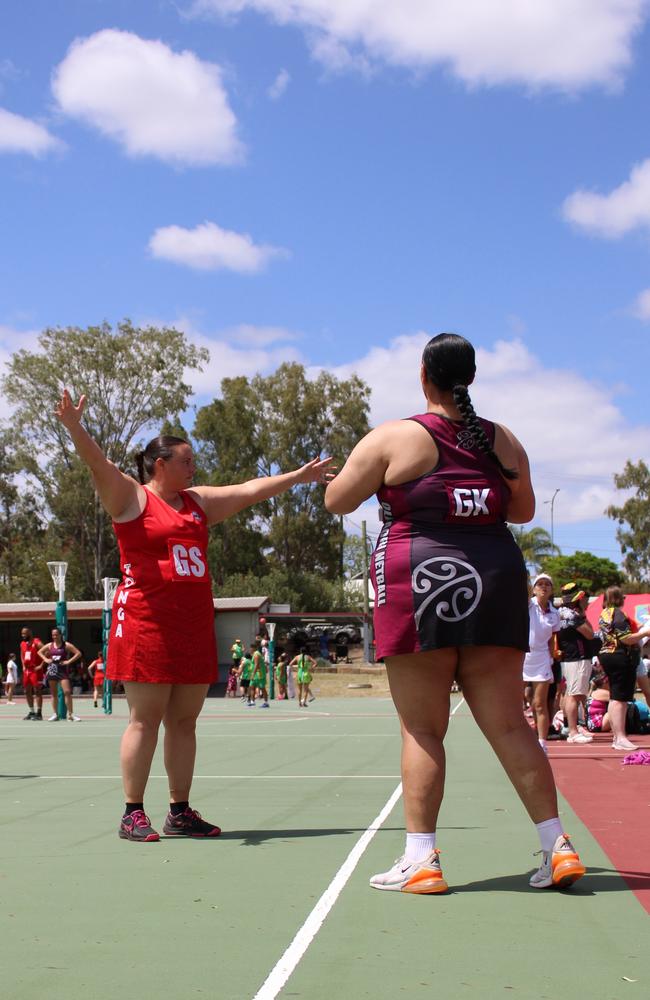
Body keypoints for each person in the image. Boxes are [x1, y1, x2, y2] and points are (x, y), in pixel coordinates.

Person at [325, 333, 585, 894]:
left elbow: (337, 501)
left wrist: (360, 476)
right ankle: (557, 845)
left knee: (422, 728)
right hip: (495, 577)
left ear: (424, 374)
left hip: (421, 581)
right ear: (471, 376)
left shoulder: (397, 436)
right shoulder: (504, 440)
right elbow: (523, 509)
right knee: (512, 725)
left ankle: (422, 857)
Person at [54, 388, 332, 842]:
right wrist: (74, 426)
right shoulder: (131, 498)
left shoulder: (197, 503)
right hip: (147, 623)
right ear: (160, 464)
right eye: (186, 461)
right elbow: (98, 464)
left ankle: (179, 810)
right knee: (144, 719)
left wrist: (299, 476)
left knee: (184, 721)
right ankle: (132, 812)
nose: (194, 468)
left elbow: (248, 490)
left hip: (193, 625)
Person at [598, 586, 650, 752]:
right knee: (621, 699)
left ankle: (617, 736)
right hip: (621, 656)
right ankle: (620, 736)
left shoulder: (605, 613)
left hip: (608, 655)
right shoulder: (618, 614)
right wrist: (646, 632)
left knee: (615, 697)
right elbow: (626, 638)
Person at [523, 574, 560, 753]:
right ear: (535, 588)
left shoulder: (555, 613)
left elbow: (552, 639)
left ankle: (542, 744)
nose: (544, 587)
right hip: (522, 658)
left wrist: (553, 656)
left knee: (540, 703)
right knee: (515, 703)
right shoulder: (529, 604)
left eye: (547, 585)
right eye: (540, 584)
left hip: (542, 660)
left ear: (552, 590)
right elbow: (526, 588)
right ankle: (519, 740)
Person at [557, 583, 595, 744]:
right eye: (584, 597)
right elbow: (590, 634)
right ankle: (573, 731)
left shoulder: (562, 612)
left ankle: (570, 727)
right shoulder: (572, 615)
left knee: (570, 694)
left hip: (570, 658)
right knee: (574, 696)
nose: (586, 600)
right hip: (577, 658)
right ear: (578, 599)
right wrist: (583, 616)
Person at [37, 627, 82, 722]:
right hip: (52, 670)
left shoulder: (66, 645)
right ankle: (55, 714)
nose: (54, 636)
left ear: (60, 635)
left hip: (62, 671)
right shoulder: (50, 645)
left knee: (67, 692)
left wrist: (68, 661)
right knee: (54, 693)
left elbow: (78, 653)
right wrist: (45, 659)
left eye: (56, 634)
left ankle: (71, 714)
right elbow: (39, 652)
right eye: (53, 635)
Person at [20, 627, 44, 720]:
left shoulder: (36, 641)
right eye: (22, 634)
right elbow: (22, 655)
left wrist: (41, 665)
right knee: (27, 691)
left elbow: (47, 651)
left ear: (30, 633)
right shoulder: (22, 644)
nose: (23, 635)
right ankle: (32, 711)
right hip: (26, 671)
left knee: (37, 691)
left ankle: (39, 713)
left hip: (35, 670)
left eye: (25, 633)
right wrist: (23, 665)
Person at [249, 642, 269, 708]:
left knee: (262, 688)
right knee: (252, 686)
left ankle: (266, 702)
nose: (250, 649)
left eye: (251, 647)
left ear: (254, 648)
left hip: (259, 674)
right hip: (256, 674)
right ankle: (252, 702)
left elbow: (256, 664)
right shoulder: (255, 654)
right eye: (250, 647)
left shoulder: (256, 654)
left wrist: (253, 674)